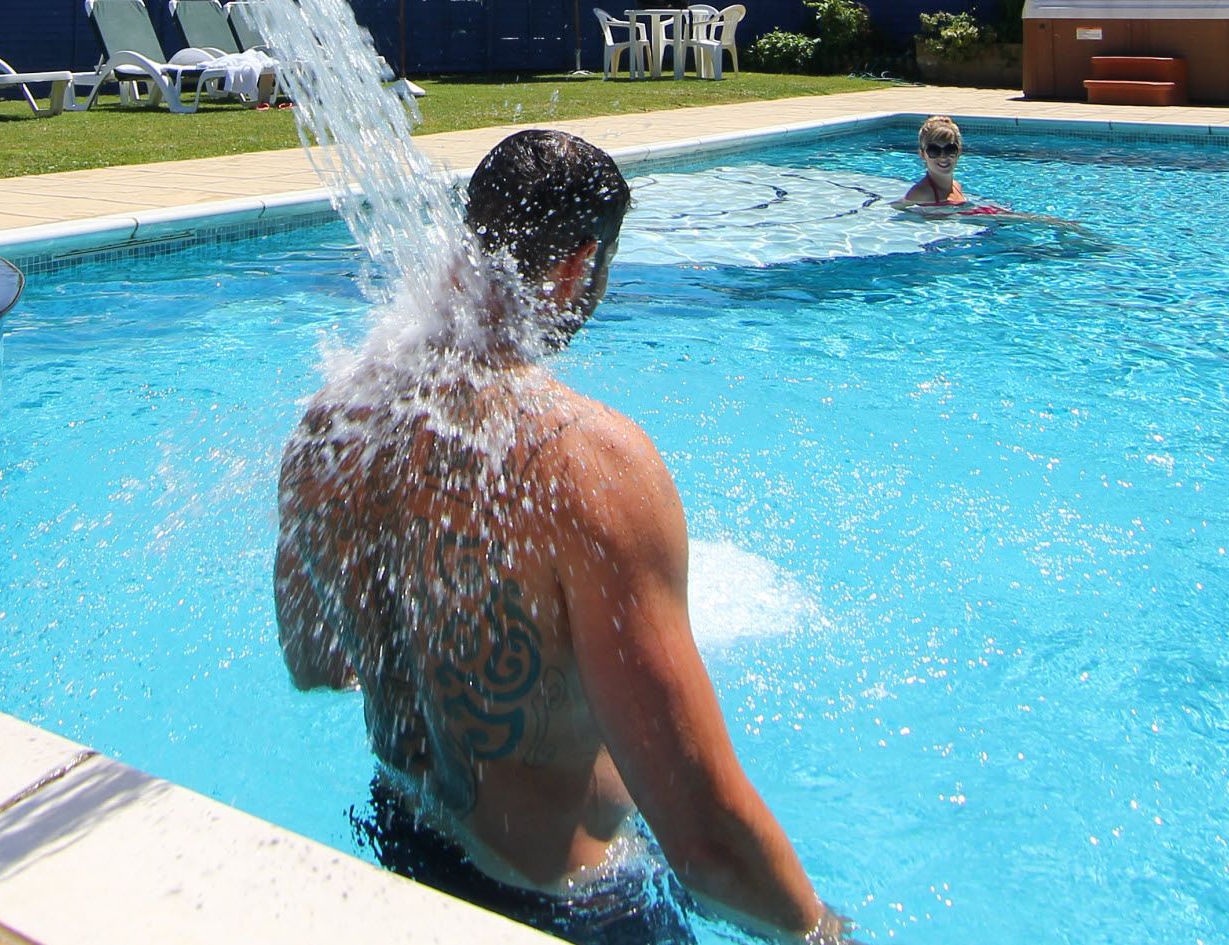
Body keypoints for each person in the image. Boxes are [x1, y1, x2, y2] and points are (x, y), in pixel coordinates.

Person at [275, 129, 844, 945]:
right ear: (579, 266)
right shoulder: (589, 464)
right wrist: (823, 931)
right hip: (566, 906)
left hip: (397, 846)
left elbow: (313, 663)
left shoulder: (333, 426)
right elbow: (708, 837)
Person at [896, 115, 1000, 213]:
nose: (943, 157)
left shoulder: (956, 186)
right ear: (922, 154)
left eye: (950, 149)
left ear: (959, 152)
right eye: (934, 150)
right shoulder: (921, 193)